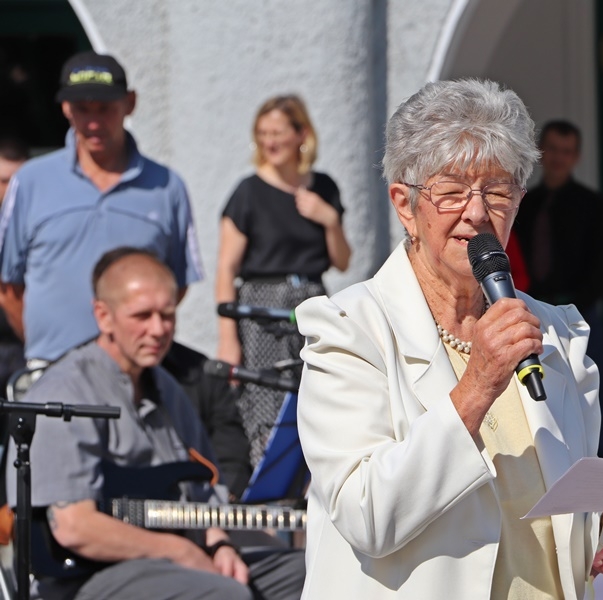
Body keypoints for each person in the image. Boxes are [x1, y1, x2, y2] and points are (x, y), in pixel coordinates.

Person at [294, 78, 603, 599]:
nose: (476, 212)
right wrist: (477, 386)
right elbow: (368, 516)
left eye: (497, 191)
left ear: (518, 202)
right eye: (451, 191)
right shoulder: (348, 329)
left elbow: (562, 524)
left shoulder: (556, 332)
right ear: (405, 205)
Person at [6, 247, 304, 600]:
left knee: (308, 572)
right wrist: (178, 551)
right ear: (103, 316)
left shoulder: (168, 388)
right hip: (91, 576)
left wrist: (220, 544)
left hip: (178, 556)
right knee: (225, 595)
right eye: (142, 316)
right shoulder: (65, 391)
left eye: (167, 315)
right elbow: (74, 526)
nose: (158, 329)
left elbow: (202, 492)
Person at [0, 51, 203, 365]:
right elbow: (7, 284)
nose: (94, 123)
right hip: (51, 366)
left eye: (105, 108)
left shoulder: (166, 186)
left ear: (130, 103)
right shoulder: (30, 181)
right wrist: (41, 345)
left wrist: (134, 337)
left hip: (133, 371)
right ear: (66, 108)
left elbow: (175, 284)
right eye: (82, 109)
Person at [216, 94, 350, 465]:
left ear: (301, 134)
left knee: (320, 395)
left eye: (277, 133)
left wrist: (329, 219)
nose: (269, 141)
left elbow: (342, 261)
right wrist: (227, 338)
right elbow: (225, 268)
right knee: (267, 403)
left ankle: (314, 485)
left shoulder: (323, 187)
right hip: (262, 309)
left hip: (312, 300)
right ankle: (270, 485)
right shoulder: (248, 192)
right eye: (262, 133)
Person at [514, 119, 603, 458]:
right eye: (553, 149)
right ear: (541, 152)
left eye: (567, 152)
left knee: (589, 394)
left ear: (576, 157)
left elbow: (602, 266)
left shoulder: (592, 204)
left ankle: (602, 471)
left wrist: (575, 306)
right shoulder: (523, 204)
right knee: (539, 393)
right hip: (530, 310)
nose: (559, 158)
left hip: (578, 314)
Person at [162, 341, 253, 499]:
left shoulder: (204, 372)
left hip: (204, 504)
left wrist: (225, 498)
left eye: (167, 321)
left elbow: (231, 453)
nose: (157, 330)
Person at [0, 136, 27, 395]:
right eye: (3, 181)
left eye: (18, 181)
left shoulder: (38, 226)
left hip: (25, 347)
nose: (10, 190)